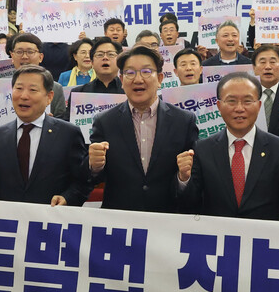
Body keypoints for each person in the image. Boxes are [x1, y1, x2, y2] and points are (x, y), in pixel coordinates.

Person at [85, 45, 199, 212]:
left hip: (167, 219)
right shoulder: (104, 121)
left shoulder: (183, 121)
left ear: (160, 78)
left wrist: (183, 178)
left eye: (146, 72)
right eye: (130, 73)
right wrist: (94, 166)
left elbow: (195, 181)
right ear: (122, 80)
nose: (138, 79)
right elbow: (92, 179)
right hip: (121, 220)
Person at [179, 72, 279, 221]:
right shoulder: (202, 149)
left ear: (258, 105)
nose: (239, 108)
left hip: (264, 239)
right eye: (231, 101)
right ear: (219, 105)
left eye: (247, 101)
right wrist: (184, 179)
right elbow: (190, 205)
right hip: (219, 238)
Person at [0, 65, 91, 205]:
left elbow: (82, 182)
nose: (24, 96)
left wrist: (67, 198)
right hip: (6, 223)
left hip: (49, 222)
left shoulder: (68, 134)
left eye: (33, 90)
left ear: (49, 97)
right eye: (19, 88)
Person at [0, 34, 66, 129]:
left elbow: (62, 122)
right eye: (19, 52)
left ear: (40, 57)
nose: (25, 56)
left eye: (30, 52)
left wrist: (53, 122)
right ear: (12, 56)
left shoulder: (55, 88)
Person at [63, 37, 125, 121]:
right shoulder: (79, 93)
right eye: (100, 54)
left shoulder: (129, 91)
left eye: (110, 54)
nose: (105, 58)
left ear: (119, 60)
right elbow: (69, 124)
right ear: (92, 62)